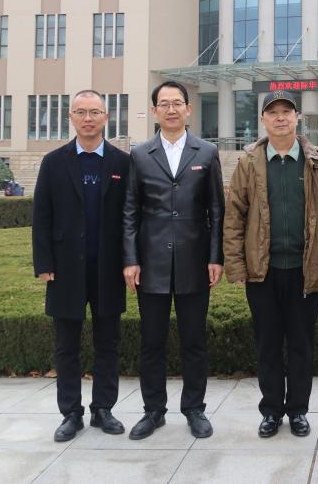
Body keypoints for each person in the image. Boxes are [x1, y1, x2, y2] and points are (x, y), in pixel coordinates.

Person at [224, 90, 318, 439]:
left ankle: (298, 411)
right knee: (268, 345)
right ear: (263, 119)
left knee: (302, 345)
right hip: (263, 271)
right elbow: (234, 217)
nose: (280, 117)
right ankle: (272, 411)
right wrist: (236, 266)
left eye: (286, 112)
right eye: (272, 112)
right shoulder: (249, 162)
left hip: (306, 271)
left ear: (297, 118)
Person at [122, 80, 224, 440]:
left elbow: (216, 209)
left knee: (194, 341)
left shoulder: (206, 152)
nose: (171, 109)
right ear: (154, 111)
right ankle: (153, 410)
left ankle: (195, 409)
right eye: (163, 104)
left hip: (195, 262)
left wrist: (215, 257)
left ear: (188, 109)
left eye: (177, 103)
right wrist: (130, 259)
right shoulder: (139, 154)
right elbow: (130, 211)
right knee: (152, 342)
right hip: (151, 264)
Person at [32, 90, 130, 442]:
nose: (88, 119)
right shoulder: (54, 162)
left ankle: (103, 408)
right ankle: (71, 413)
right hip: (64, 270)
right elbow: (41, 216)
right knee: (66, 346)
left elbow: (130, 217)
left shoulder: (122, 163)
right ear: (70, 117)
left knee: (108, 343)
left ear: (106, 117)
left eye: (95, 112)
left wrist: (131, 262)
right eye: (81, 112)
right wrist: (43, 263)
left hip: (109, 269)